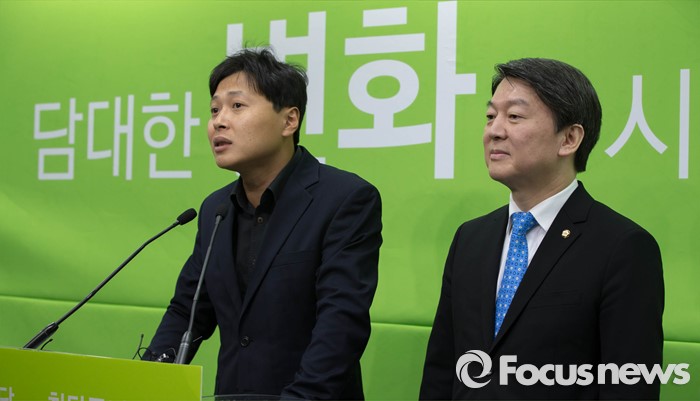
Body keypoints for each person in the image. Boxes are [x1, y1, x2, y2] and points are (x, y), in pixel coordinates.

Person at [143, 47, 382, 400]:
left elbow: (340, 324)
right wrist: (148, 382)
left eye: (237, 106)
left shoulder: (344, 199)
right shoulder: (215, 210)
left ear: (289, 121)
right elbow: (187, 312)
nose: (219, 121)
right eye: (214, 110)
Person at [419, 58, 664, 400]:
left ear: (569, 139)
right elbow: (442, 369)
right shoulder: (471, 239)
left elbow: (629, 386)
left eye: (514, 116)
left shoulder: (622, 247)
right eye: (490, 116)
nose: (494, 131)